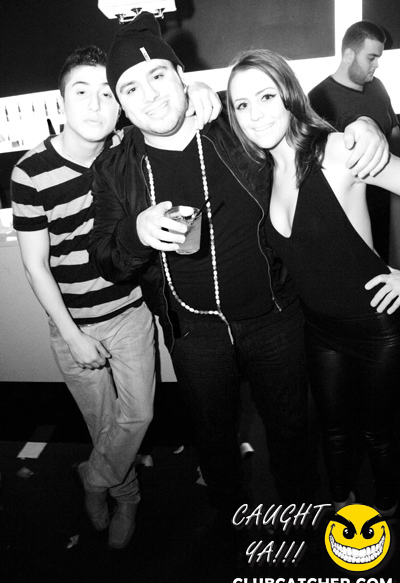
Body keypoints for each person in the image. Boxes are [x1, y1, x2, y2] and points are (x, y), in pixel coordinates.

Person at [88, 12, 389, 526]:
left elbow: (296, 128)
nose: (150, 95)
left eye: (159, 76)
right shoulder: (114, 169)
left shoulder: (233, 129)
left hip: (275, 317)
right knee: (214, 440)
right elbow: (104, 258)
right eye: (131, 88)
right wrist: (136, 233)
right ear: (120, 103)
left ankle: (300, 517)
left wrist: (362, 126)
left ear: (181, 77)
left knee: (292, 432)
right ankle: (231, 524)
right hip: (193, 333)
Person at [11, 45, 221, 550]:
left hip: (130, 312)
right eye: (81, 92)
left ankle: (95, 478)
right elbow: (36, 265)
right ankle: (126, 496)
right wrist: (72, 336)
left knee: (139, 415)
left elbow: (177, 112)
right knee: (102, 423)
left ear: (121, 105)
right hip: (73, 324)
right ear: (60, 102)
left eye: (108, 93)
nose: (95, 104)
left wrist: (198, 88)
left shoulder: (128, 146)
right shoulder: (31, 171)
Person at [227, 48, 400, 517]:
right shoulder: (264, 172)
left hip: (376, 329)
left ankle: (387, 509)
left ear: (289, 94)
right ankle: (342, 501)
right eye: (242, 104)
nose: (255, 113)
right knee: (334, 431)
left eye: (266, 96)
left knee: (377, 434)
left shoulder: (337, 150)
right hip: (319, 331)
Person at [308, 20, 400, 262]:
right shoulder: (318, 99)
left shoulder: (377, 87)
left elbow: (393, 132)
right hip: (350, 220)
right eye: (371, 58)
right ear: (349, 55)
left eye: (378, 58)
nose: (377, 64)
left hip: (389, 206)